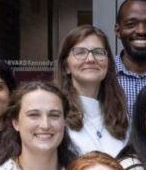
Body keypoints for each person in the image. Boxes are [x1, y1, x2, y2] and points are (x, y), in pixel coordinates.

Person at [54, 24, 129, 157]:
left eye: (98, 52)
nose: (90, 59)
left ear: (108, 63)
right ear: (66, 66)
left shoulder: (121, 115)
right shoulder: (55, 114)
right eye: (80, 52)